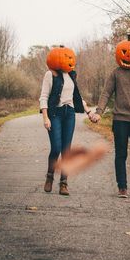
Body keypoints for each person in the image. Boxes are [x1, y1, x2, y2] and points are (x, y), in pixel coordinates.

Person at [90, 34, 130, 198]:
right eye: (124, 52)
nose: (128, 56)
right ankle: (122, 187)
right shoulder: (116, 73)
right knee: (120, 153)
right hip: (120, 120)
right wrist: (99, 112)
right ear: (119, 54)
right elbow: (106, 93)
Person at [39, 46, 93, 195]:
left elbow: (77, 97)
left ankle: (64, 183)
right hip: (54, 113)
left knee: (66, 150)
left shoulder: (71, 75)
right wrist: (45, 117)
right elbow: (43, 96)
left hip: (69, 113)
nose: (70, 61)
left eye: (71, 58)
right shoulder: (50, 74)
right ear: (57, 59)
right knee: (56, 148)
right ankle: (50, 176)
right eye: (66, 58)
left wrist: (88, 111)